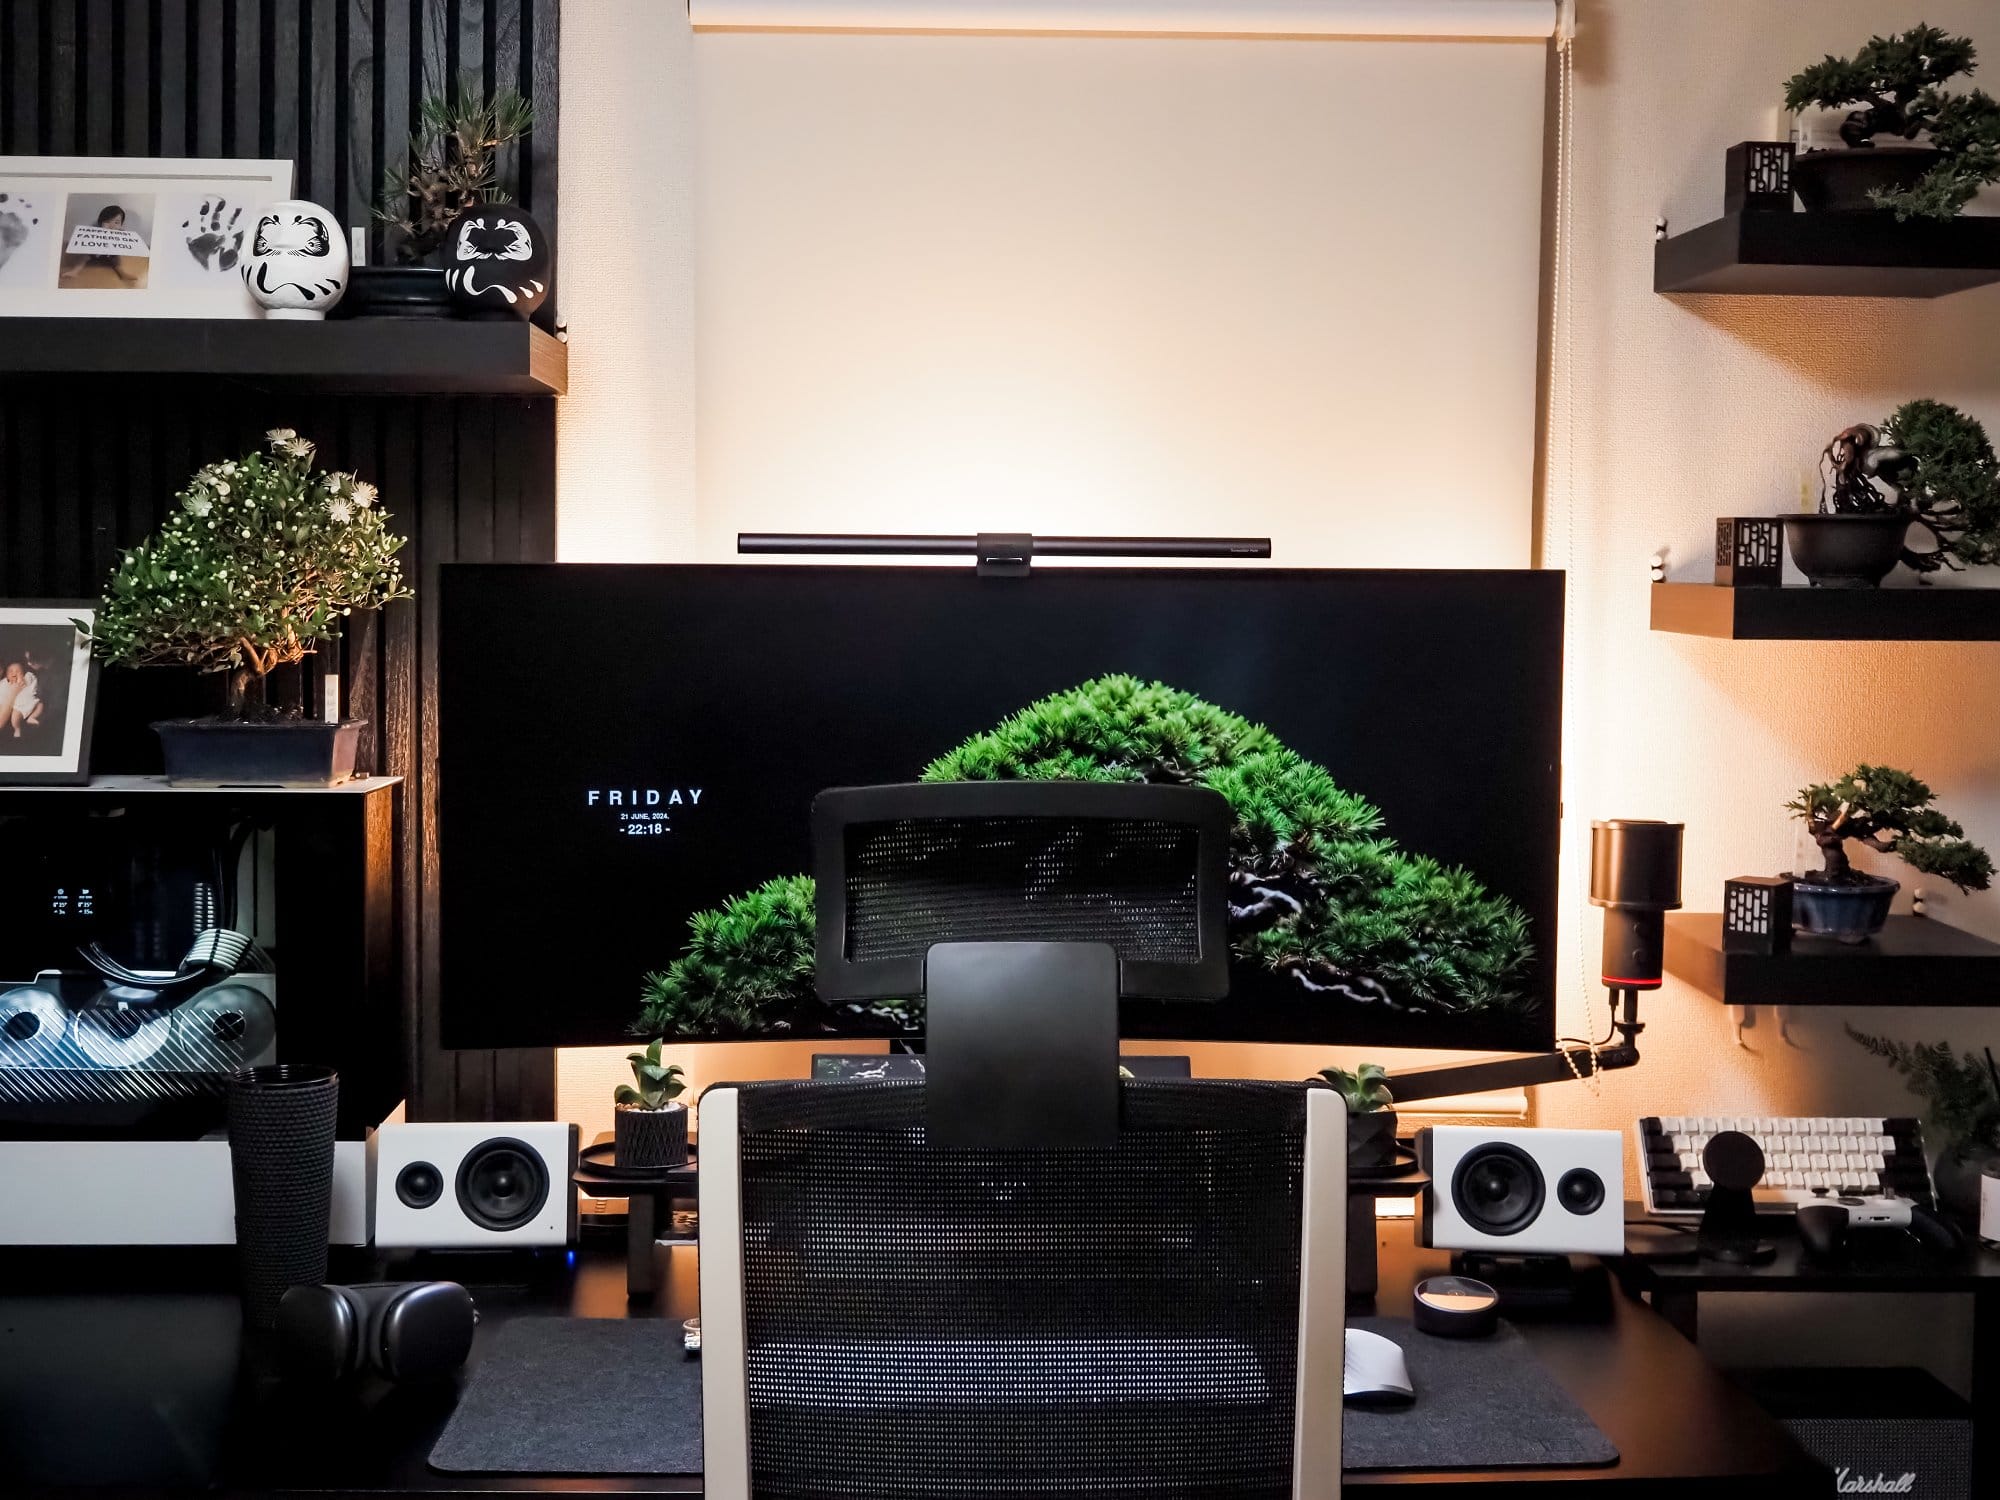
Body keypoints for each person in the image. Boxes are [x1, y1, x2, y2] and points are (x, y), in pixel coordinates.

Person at [6, 661, 40, 737]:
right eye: (11, 671)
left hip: (32, 701)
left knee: (41, 705)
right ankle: (17, 729)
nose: (14, 673)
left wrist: (20, 680)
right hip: (19, 707)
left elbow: (27, 681)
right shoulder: (7, 685)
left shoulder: (28, 676)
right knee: (14, 719)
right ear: (7, 676)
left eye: (18, 671)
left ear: (23, 673)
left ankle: (32, 717)